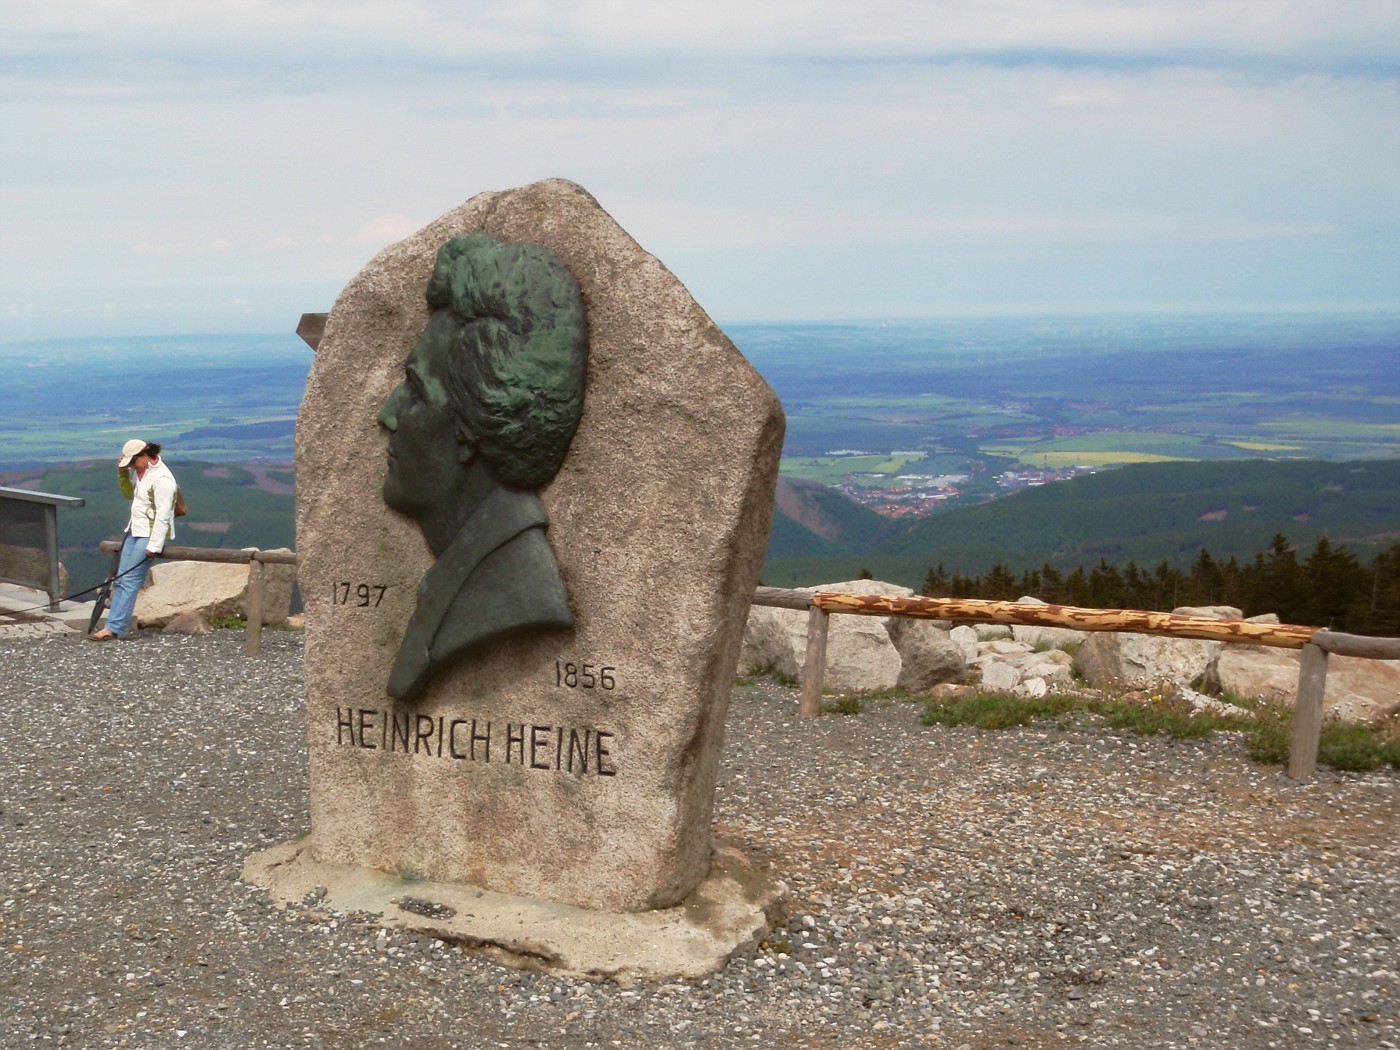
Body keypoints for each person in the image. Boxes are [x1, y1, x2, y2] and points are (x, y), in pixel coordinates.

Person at [377, 233, 589, 702]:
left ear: (471, 428)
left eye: (416, 391)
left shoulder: (520, 588)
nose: (387, 415)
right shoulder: (477, 563)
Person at [88, 439, 178, 641]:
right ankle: (112, 625)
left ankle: (113, 628)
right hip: (135, 530)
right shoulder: (141, 472)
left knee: (129, 580)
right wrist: (122, 474)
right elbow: (129, 494)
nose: (131, 466)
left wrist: (155, 545)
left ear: (144, 455)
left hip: (149, 534)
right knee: (120, 579)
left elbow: (163, 514)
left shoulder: (163, 479)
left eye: (132, 462)